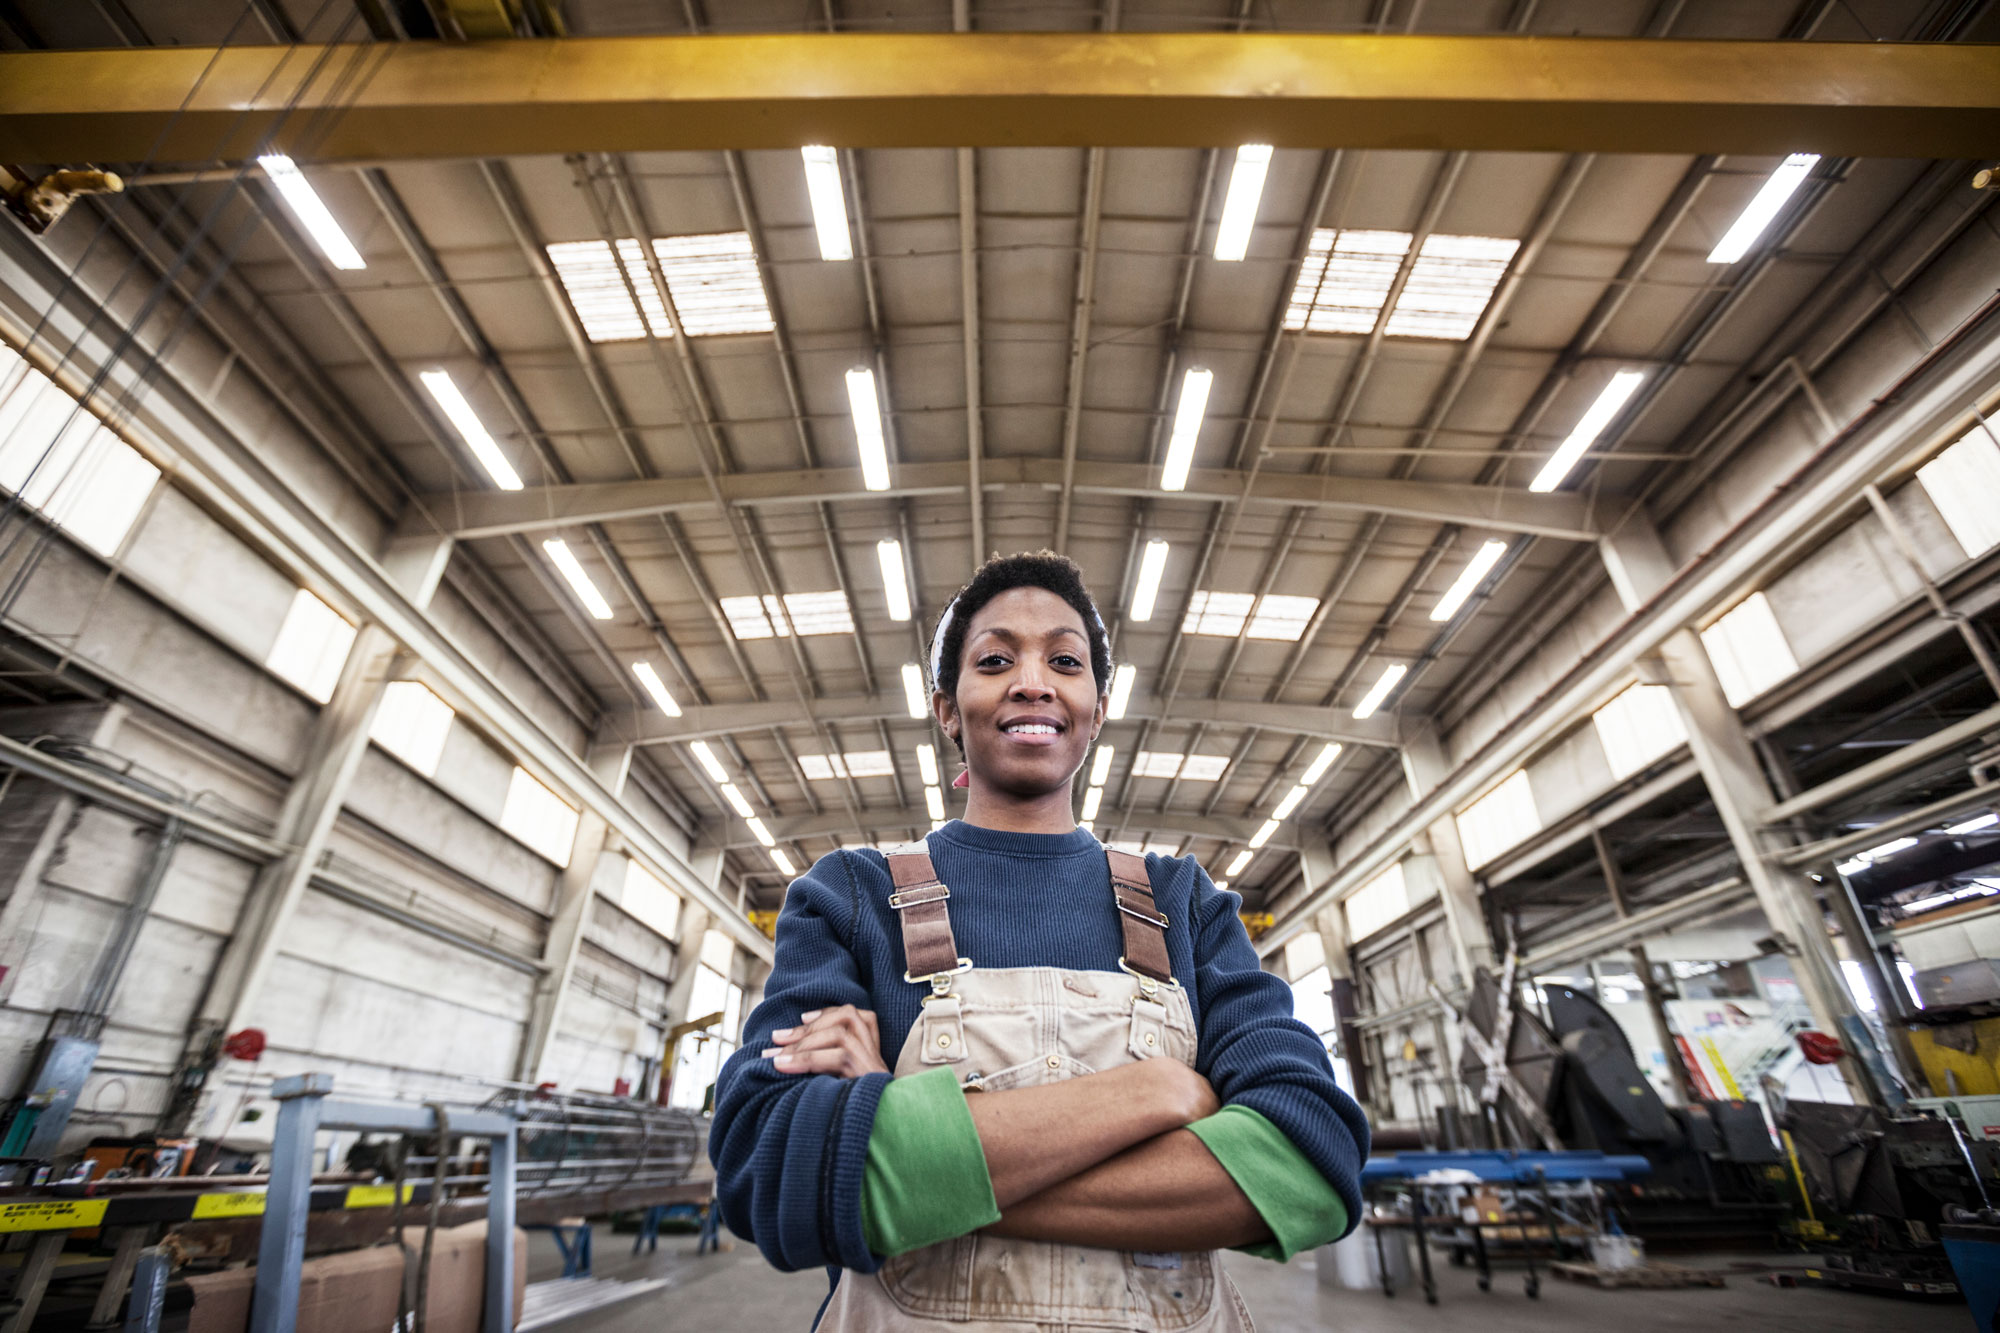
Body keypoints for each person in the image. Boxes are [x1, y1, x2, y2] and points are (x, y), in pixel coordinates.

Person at [710, 551, 1367, 1330]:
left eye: (1064, 659)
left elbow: (1309, 1162)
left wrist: (893, 1149)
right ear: (949, 707)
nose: (1032, 680)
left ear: (1096, 702)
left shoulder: (1183, 902)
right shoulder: (851, 895)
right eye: (995, 660)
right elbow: (769, 1164)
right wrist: (1153, 1094)